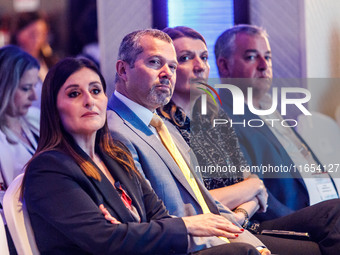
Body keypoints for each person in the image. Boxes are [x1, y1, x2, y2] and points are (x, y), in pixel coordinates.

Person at [107, 28, 340, 255]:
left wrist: (241, 211)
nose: (169, 72)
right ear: (123, 70)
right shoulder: (144, 126)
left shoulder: (200, 118)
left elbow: (244, 186)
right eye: (156, 62)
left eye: (173, 65)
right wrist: (247, 201)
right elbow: (179, 207)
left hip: (234, 221)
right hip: (206, 233)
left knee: (332, 215)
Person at [22, 57, 260, 255]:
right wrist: (184, 224)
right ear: (54, 107)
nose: (89, 100)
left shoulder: (114, 155)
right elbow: (106, 240)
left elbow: (158, 215)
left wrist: (129, 230)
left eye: (96, 90)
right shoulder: (49, 169)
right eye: (74, 94)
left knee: (243, 250)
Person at [214, 24, 339, 221]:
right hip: (300, 223)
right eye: (252, 57)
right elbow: (256, 195)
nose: (264, 65)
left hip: (329, 209)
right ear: (224, 66)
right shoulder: (222, 120)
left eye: (268, 57)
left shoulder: (272, 112)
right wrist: (311, 224)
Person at [159, 26, 268, 227]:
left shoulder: (212, 114)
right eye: (185, 58)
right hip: (207, 236)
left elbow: (257, 188)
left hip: (245, 225)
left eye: (204, 57)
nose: (200, 66)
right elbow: (192, 203)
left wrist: (240, 215)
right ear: (169, 69)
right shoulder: (160, 127)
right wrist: (251, 187)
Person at [0, 45, 40, 202]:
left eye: (34, 87)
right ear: (4, 88)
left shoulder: (36, 118)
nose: (34, 97)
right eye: (26, 88)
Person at [11, 11, 59, 108]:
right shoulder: (9, 64)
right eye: (32, 34)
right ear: (18, 34)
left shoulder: (50, 62)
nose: (37, 39)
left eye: (41, 34)